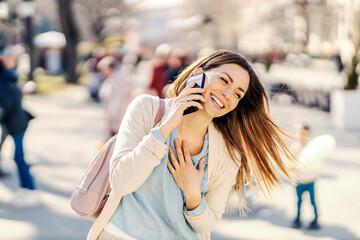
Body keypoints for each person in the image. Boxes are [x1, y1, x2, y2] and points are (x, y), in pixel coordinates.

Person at [87, 50, 298, 240]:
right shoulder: (147, 109)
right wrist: (165, 128)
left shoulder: (228, 153)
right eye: (224, 80)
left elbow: (209, 222)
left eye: (237, 94)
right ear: (199, 73)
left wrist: (192, 193)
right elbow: (121, 182)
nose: (227, 94)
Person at [0, 58, 39, 207]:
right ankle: (26, 188)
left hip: (15, 123)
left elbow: (8, 104)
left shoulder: (2, 81)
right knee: (18, 156)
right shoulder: (8, 77)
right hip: (17, 122)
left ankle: (30, 188)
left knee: (19, 157)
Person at [290, 124, 335, 230]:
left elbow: (318, 159)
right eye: (299, 134)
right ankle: (298, 219)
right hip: (299, 181)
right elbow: (288, 163)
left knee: (313, 201)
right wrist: (294, 166)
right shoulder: (294, 148)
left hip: (311, 180)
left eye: (305, 134)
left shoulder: (312, 147)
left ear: (309, 135)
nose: (302, 136)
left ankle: (315, 220)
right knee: (299, 201)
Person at [98, 56, 132, 139]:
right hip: (119, 116)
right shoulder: (119, 76)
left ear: (109, 68)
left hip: (117, 118)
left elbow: (116, 100)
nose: (102, 72)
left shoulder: (116, 79)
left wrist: (111, 117)